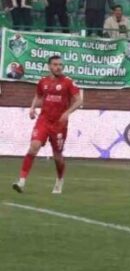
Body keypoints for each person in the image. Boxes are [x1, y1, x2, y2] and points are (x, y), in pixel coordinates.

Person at [12, 55, 82, 194]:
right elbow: (38, 96)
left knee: (57, 156)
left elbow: (78, 100)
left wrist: (67, 112)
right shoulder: (43, 81)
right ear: (49, 66)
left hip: (59, 124)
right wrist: (32, 108)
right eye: (55, 64)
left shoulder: (68, 82)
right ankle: (21, 181)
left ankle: (59, 180)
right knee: (34, 147)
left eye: (60, 65)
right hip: (43, 120)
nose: (58, 67)